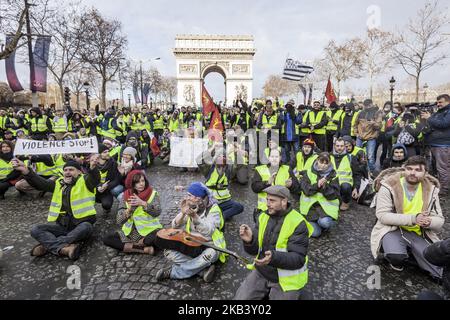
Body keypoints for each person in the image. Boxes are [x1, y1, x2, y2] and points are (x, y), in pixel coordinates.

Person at [13, 156, 100, 261]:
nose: (67, 172)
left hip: (81, 225)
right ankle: (64, 248)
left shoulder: (85, 180)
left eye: (71, 170)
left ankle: (48, 246)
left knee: (86, 227)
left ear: (79, 172)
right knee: (35, 229)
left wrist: (93, 168)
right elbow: (41, 183)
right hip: (63, 227)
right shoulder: (58, 183)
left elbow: (94, 178)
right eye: (65, 170)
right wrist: (26, 171)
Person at [370, 156, 444, 278]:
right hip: (392, 229)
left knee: (437, 267)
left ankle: (412, 254)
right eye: (409, 169)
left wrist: (429, 221)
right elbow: (382, 215)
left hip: (419, 232)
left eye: (418, 170)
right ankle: (396, 253)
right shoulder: (389, 185)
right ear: (404, 169)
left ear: (425, 173)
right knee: (396, 257)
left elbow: (440, 220)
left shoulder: (431, 189)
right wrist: (414, 219)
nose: (412, 173)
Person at [235, 185, 312, 300]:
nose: (267, 204)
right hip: (262, 271)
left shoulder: (298, 223)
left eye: (272, 200)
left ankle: (300, 293)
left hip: (286, 278)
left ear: (284, 201)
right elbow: (255, 250)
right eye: (267, 200)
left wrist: (273, 257)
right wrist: (249, 241)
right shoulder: (263, 217)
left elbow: (298, 259)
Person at [155, 182, 227, 283]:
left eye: (190, 195)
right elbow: (175, 225)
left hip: (209, 245)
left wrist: (195, 217)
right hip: (191, 245)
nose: (187, 198)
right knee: (168, 252)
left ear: (199, 198)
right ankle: (201, 271)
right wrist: (183, 213)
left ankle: (172, 272)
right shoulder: (191, 207)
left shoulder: (213, 210)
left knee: (210, 254)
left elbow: (209, 231)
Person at [103, 170, 162, 254]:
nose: (141, 184)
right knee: (107, 239)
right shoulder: (125, 196)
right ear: (132, 184)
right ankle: (144, 249)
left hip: (150, 231)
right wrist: (128, 211)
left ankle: (132, 246)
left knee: (159, 238)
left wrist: (143, 204)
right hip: (130, 233)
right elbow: (119, 221)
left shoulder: (153, 193)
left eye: (142, 181)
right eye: (137, 182)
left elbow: (157, 212)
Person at [299, 153, 340, 238]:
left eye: (326, 163)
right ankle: (312, 223)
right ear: (317, 160)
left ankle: (323, 224)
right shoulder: (308, 173)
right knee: (315, 233)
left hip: (325, 210)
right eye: (321, 162)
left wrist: (325, 187)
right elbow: (306, 190)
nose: (323, 165)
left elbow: (334, 195)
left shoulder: (333, 175)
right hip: (310, 209)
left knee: (325, 223)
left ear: (329, 163)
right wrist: (317, 186)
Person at [252, 148, 299, 221]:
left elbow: (298, 188)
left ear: (280, 158)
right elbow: (254, 188)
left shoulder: (287, 169)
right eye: (272, 156)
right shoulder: (260, 169)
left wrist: (291, 185)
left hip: (282, 209)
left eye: (276, 157)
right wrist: (267, 183)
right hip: (265, 208)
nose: (274, 159)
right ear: (269, 158)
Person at [197, 148, 244, 221]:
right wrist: (211, 149)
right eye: (219, 156)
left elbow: (239, 164)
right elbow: (199, 159)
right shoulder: (209, 169)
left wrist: (236, 153)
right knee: (197, 207)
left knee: (239, 207)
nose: (221, 158)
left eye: (223, 156)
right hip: (210, 202)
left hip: (224, 202)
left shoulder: (229, 170)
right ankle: (219, 215)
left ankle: (220, 216)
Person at [422, 94, 450, 199]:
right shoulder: (439, 112)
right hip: (435, 143)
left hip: (443, 144)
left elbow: (444, 124)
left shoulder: (448, 112)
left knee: (442, 168)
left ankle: (444, 191)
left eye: (440, 102)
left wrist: (429, 118)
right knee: (436, 167)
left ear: (448, 101)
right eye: (437, 102)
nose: (438, 104)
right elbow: (432, 124)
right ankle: (438, 186)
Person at [330, 138, 362, 211]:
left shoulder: (351, 158)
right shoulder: (329, 156)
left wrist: (356, 188)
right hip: (331, 183)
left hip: (345, 185)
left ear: (344, 146)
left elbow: (357, 174)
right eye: (337, 146)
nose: (339, 148)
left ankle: (345, 201)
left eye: (341, 146)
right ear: (334, 146)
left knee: (346, 187)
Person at [355, 99, 384, 174]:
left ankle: (372, 172)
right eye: (366, 105)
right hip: (360, 137)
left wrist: (373, 123)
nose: (367, 107)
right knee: (357, 154)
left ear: (372, 104)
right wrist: (356, 133)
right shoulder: (360, 113)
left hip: (371, 138)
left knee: (370, 157)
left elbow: (379, 126)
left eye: (369, 105)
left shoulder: (377, 113)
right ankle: (357, 170)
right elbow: (355, 124)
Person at [96, 144, 122, 216]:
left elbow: (117, 180)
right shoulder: (93, 165)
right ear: (98, 154)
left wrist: (106, 186)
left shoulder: (113, 163)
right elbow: (89, 180)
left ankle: (106, 209)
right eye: (104, 152)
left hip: (107, 189)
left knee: (107, 204)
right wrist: (99, 187)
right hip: (95, 189)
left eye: (108, 151)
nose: (108, 153)